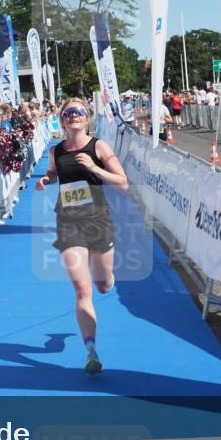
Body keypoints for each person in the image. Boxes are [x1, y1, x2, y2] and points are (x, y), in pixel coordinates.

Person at [35, 98, 128, 375]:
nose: (74, 115)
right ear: (63, 119)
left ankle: (108, 280)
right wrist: (46, 180)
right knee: (82, 289)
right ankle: (91, 350)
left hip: (98, 221)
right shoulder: (56, 150)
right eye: (68, 112)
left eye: (79, 112)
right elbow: (54, 173)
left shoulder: (98, 147)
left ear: (86, 118)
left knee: (103, 286)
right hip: (68, 222)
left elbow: (123, 183)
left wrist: (95, 168)